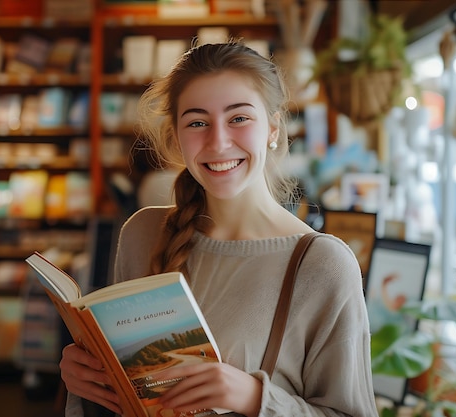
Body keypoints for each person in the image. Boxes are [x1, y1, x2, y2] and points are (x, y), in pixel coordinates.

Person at [59, 40, 378, 417]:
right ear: (177, 136)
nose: (219, 141)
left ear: (273, 127)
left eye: (238, 118)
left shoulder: (322, 264)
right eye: (197, 122)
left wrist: (254, 398)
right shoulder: (142, 234)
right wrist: (88, 378)